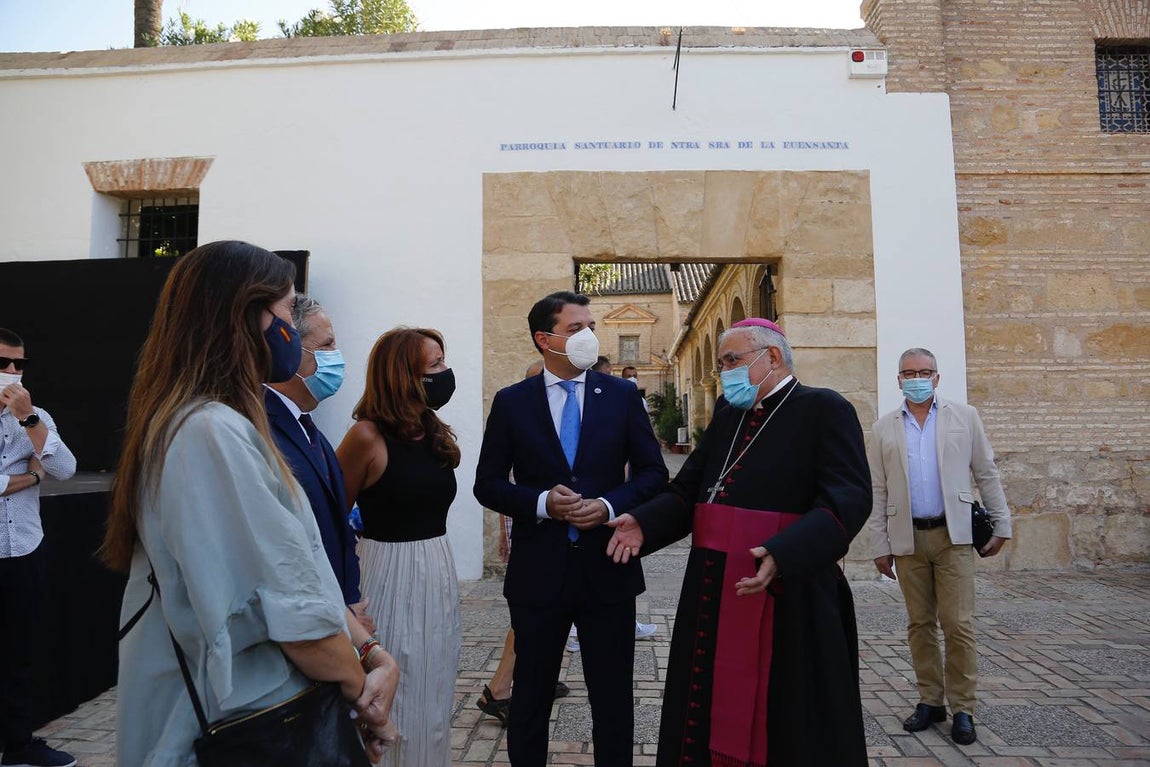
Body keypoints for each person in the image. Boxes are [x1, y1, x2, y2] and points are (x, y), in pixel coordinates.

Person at [103, 241, 399, 766]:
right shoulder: (209, 432)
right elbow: (293, 615)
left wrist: (373, 654)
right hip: (246, 721)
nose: (292, 327)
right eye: (286, 310)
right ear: (246, 316)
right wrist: (362, 697)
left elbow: (300, 568)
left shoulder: (221, 424)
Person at [607, 318, 872, 767]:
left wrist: (785, 553)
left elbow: (848, 498)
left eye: (733, 360)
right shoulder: (729, 415)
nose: (725, 371)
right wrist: (643, 523)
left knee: (788, 711)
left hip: (790, 590)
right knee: (706, 699)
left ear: (772, 357)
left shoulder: (824, 409)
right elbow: (687, 491)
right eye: (722, 362)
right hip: (714, 585)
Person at [474, 290, 668, 767]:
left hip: (608, 571)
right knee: (531, 698)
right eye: (574, 328)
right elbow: (489, 484)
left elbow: (653, 474)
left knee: (613, 698)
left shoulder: (621, 396)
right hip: (539, 575)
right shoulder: (512, 402)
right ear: (545, 339)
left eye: (590, 326)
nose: (587, 337)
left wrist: (607, 505)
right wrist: (541, 503)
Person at [867, 347, 1012, 746]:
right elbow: (877, 490)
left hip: (953, 536)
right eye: (909, 372)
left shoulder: (964, 418)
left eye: (924, 371)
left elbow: (986, 472)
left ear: (936, 376)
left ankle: (963, 707)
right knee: (920, 625)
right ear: (898, 379)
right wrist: (880, 543)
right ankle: (930, 701)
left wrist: (1003, 524)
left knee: (958, 623)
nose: (917, 377)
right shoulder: (882, 430)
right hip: (908, 537)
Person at [336, 327, 462, 767]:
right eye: (435, 365)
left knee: (434, 686)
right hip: (388, 571)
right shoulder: (367, 437)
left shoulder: (432, 430)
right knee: (397, 689)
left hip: (437, 572)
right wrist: (347, 598)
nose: (446, 373)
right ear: (402, 375)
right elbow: (330, 518)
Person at [265, 294, 372, 631]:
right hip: (306, 624)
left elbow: (339, 529)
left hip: (337, 615)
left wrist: (351, 602)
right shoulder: (262, 430)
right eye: (326, 345)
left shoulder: (311, 429)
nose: (335, 357)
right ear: (291, 351)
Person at [477, 360, 569, 728]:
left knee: (542, 612)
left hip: (539, 521)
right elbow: (500, 486)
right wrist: (504, 531)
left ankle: (522, 680)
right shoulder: (519, 414)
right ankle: (500, 689)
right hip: (531, 523)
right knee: (529, 614)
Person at [0, 329, 77, 767]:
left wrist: (30, 421)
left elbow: (65, 468)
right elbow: (40, 474)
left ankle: (18, 745)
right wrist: (30, 477)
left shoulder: (35, 416)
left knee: (19, 655)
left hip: (24, 549)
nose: (12, 372)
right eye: (3, 362)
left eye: (19, 364)